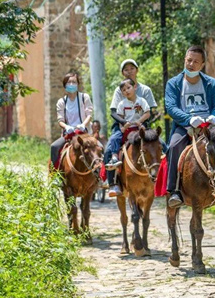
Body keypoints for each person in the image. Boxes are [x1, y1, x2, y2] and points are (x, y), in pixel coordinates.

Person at [164, 46, 215, 207]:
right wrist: (188, 119)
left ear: (202, 64)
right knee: (174, 145)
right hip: (185, 126)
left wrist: (214, 116)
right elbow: (171, 107)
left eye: (196, 61)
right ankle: (174, 189)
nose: (191, 64)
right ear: (185, 60)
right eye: (189, 60)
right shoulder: (173, 83)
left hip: (209, 126)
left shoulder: (210, 83)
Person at [104, 59, 158, 197]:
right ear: (122, 73)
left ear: (137, 70)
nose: (129, 71)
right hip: (123, 125)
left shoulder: (145, 90)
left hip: (141, 125)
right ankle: (113, 183)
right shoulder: (119, 90)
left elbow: (150, 111)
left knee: (161, 146)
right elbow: (114, 112)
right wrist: (124, 123)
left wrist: (141, 123)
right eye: (126, 69)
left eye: (132, 68)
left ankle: (163, 180)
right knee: (109, 148)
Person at [105, 78, 151, 170]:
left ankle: (160, 156)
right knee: (114, 138)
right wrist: (123, 126)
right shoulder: (122, 104)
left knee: (153, 138)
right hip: (127, 129)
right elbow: (120, 118)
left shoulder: (142, 101)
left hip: (139, 128)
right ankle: (114, 157)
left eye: (128, 88)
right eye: (124, 90)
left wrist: (140, 121)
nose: (126, 91)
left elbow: (147, 113)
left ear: (135, 87)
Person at [51, 72, 93, 168]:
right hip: (69, 134)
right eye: (68, 82)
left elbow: (89, 114)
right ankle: (55, 174)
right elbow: (60, 120)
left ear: (78, 84)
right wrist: (66, 127)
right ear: (64, 85)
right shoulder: (61, 102)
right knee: (54, 147)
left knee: (99, 147)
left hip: (84, 133)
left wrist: (83, 125)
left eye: (74, 82)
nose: (71, 84)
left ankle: (101, 175)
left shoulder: (84, 97)